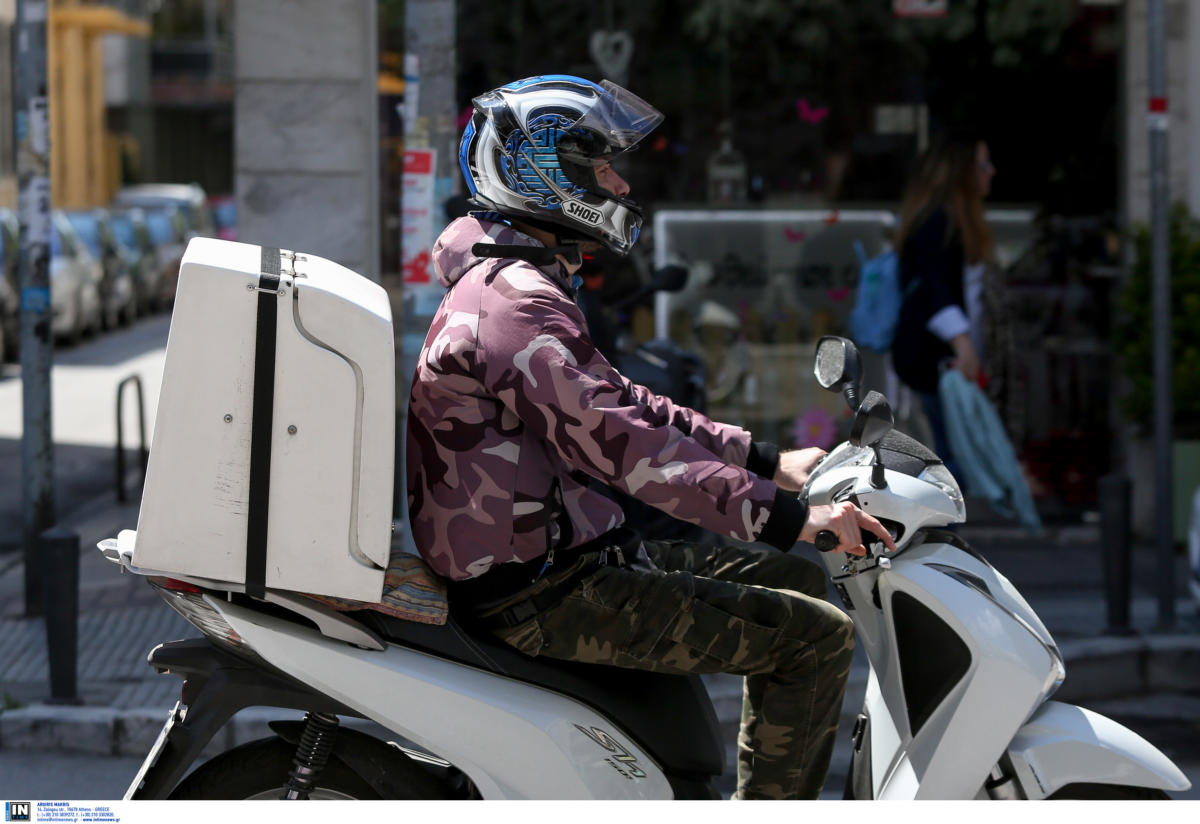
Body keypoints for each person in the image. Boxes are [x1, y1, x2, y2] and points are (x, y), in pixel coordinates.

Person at [406, 75, 895, 800]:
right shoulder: (514, 306)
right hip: (543, 592)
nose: (620, 184)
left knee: (793, 582)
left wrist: (767, 461)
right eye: (601, 168)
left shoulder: (517, 284)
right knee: (815, 639)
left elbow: (628, 405)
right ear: (542, 177)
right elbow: (630, 452)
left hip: (568, 556)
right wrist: (793, 518)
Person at [890, 134, 997, 479]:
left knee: (954, 453)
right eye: (982, 165)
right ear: (960, 173)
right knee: (953, 459)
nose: (991, 172)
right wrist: (963, 346)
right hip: (935, 360)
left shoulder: (952, 221)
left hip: (941, 360)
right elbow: (935, 288)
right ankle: (948, 515)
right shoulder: (937, 222)